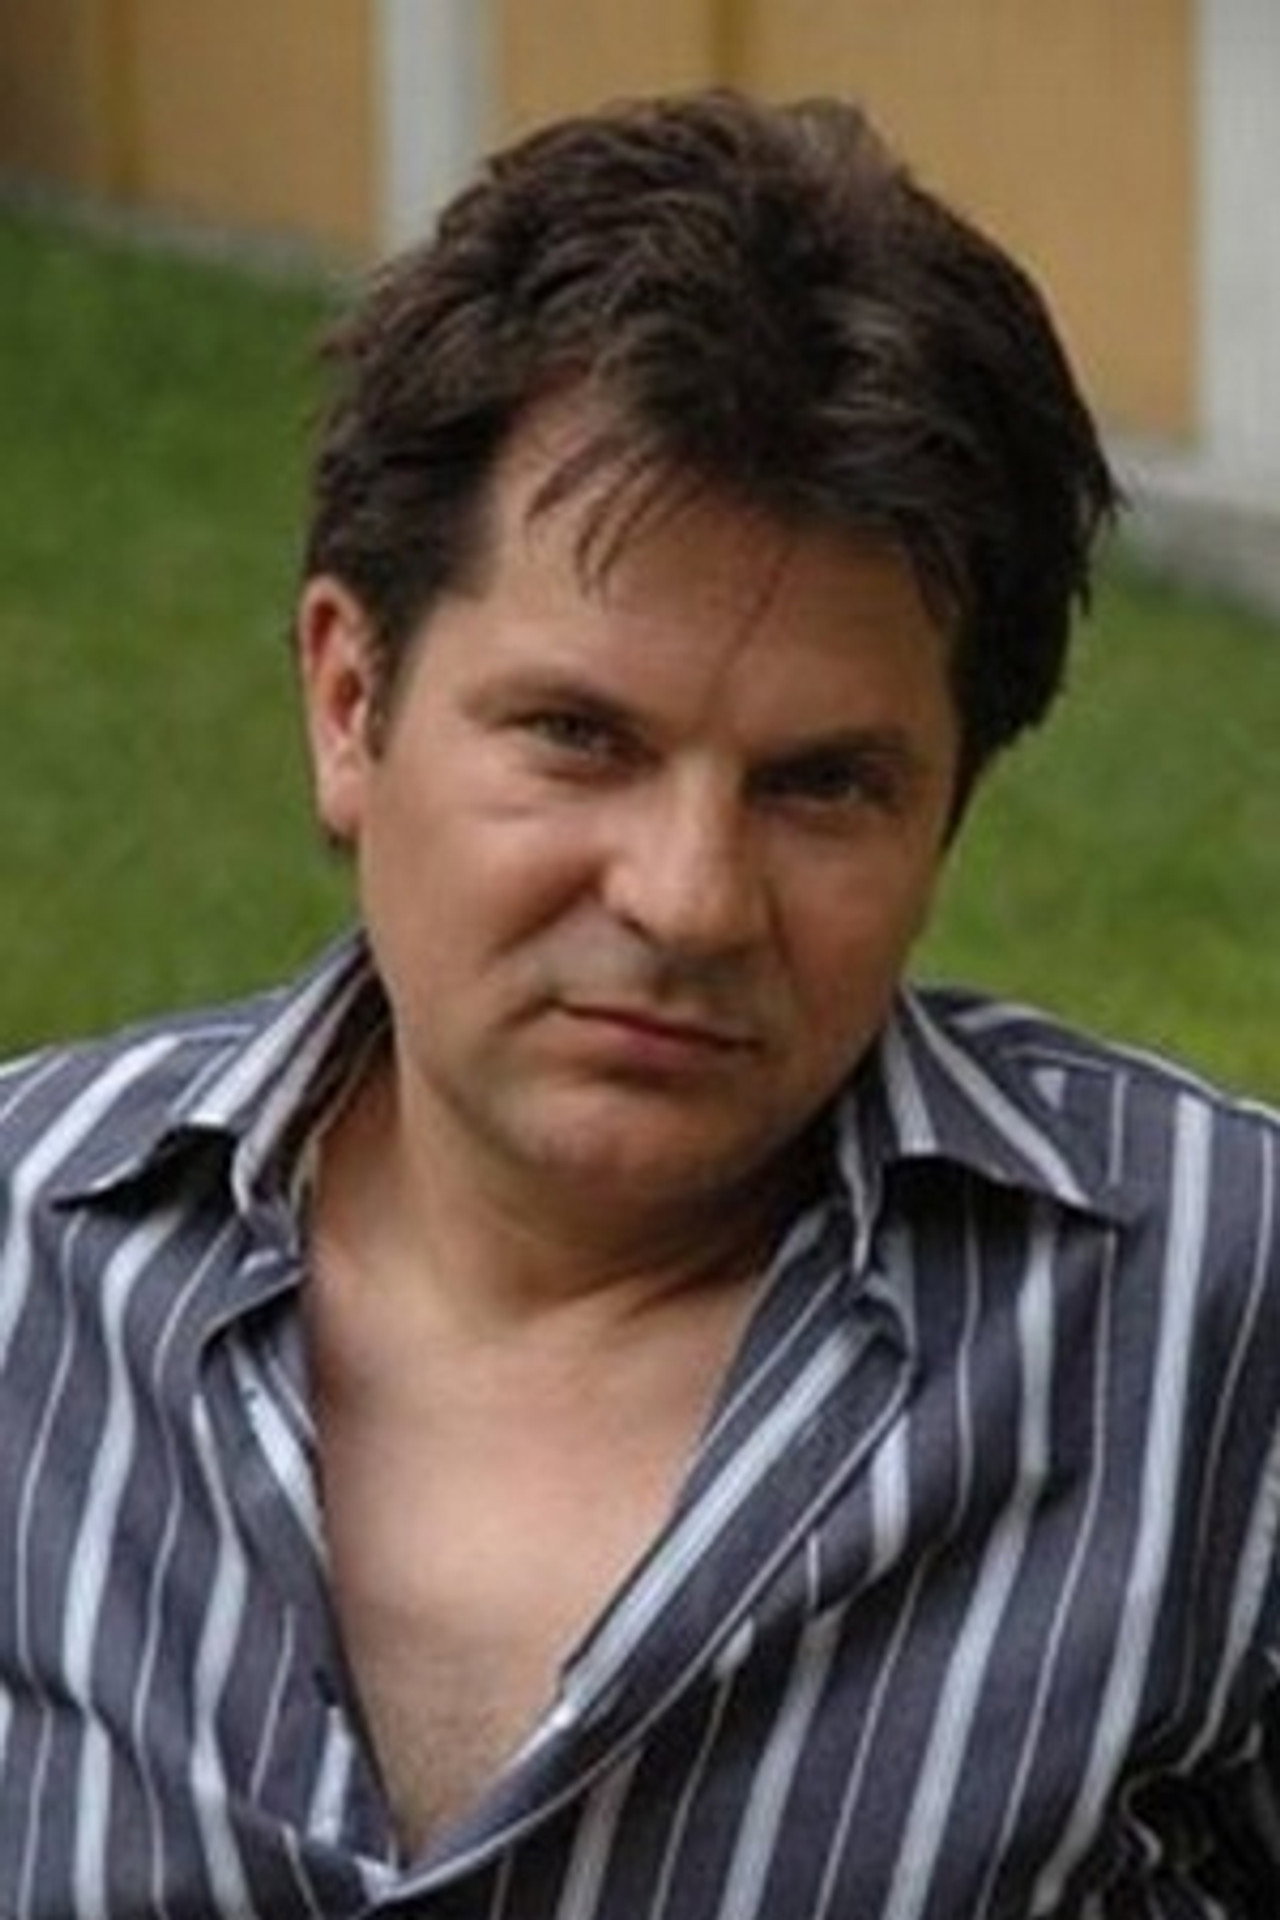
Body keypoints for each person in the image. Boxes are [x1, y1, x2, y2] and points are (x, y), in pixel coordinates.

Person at [1, 87, 1277, 1920]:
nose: (687, 899)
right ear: (350, 702)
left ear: (951, 806)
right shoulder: (23, 1252)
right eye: (579, 737)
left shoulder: (1219, 1318)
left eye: (824, 785)